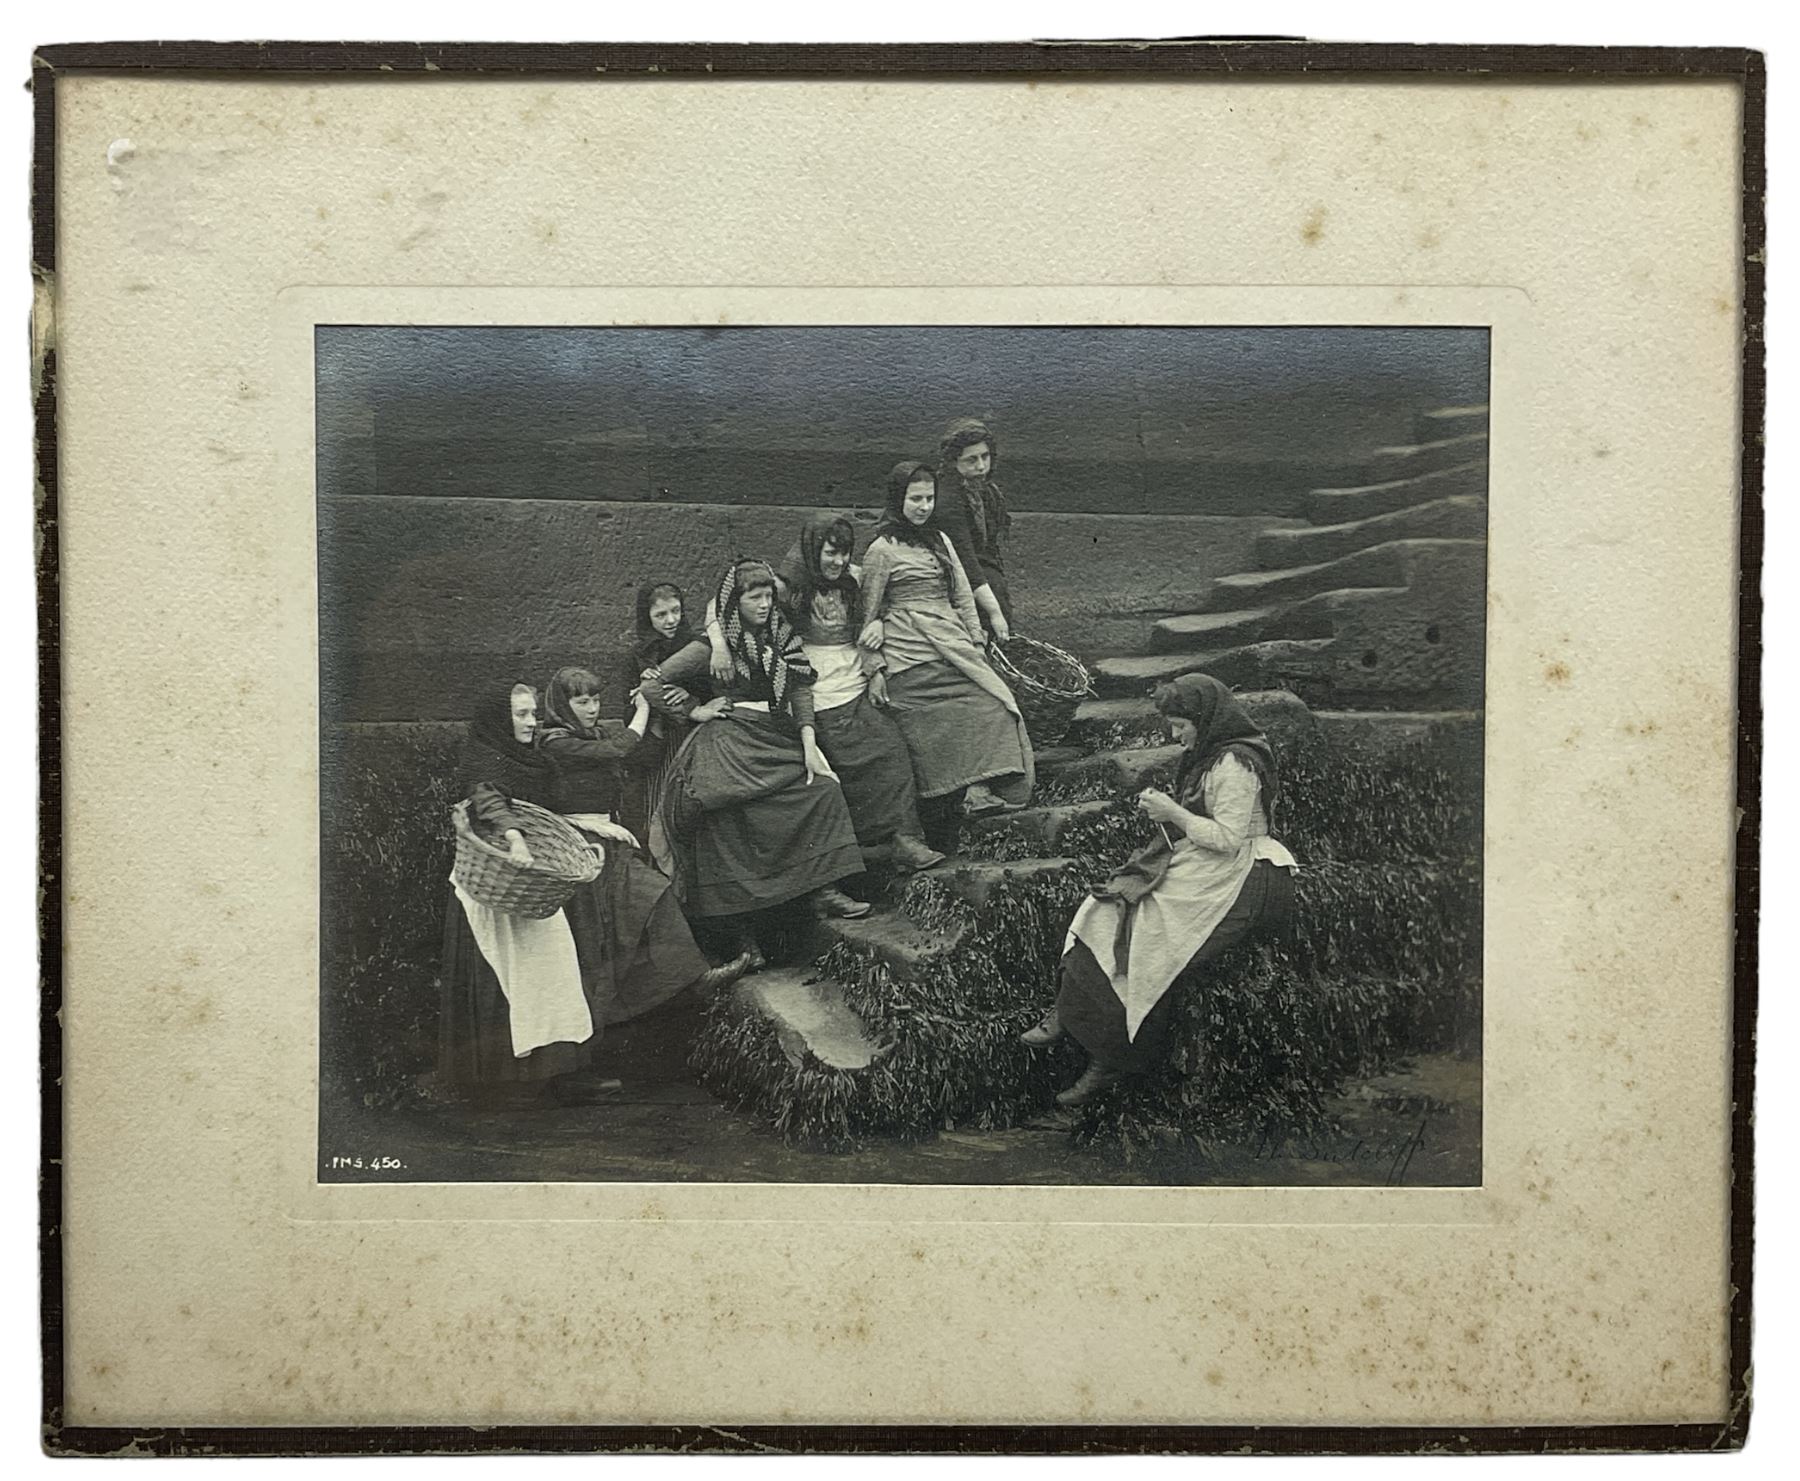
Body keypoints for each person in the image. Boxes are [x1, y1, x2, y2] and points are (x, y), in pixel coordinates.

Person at [1021, 674, 1298, 1106]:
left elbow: (1228, 837)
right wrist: (1169, 817)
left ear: (1205, 719)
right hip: (1205, 864)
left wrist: (1172, 812)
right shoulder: (1208, 755)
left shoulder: (1236, 762)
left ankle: (1111, 1060)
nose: (1175, 735)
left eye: (1180, 726)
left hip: (1245, 871)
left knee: (1152, 940)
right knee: (1102, 908)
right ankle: (1067, 1010)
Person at [651, 559, 872, 963]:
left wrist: (808, 742)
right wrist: (694, 710)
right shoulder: (711, 646)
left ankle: (823, 892)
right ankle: (741, 935)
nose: (765, 604)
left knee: (821, 789)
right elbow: (652, 682)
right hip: (728, 742)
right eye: (755, 597)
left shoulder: (781, 637)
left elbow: (801, 688)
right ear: (737, 600)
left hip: (773, 735)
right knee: (724, 818)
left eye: (769, 595)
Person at [702, 512, 944, 874]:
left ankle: (906, 839)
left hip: (854, 673)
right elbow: (721, 602)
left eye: (844, 553)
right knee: (840, 755)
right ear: (813, 550)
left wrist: (876, 621)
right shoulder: (786, 586)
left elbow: (889, 601)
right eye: (830, 553)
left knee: (889, 745)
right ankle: (862, 848)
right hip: (811, 678)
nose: (838, 562)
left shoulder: (855, 580)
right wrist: (719, 643)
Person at [537, 666, 753, 1019]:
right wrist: (644, 709)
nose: (592, 708)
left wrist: (654, 721)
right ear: (563, 703)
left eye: (596, 699)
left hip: (608, 837)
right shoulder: (556, 741)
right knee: (639, 902)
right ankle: (683, 983)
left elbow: (640, 756)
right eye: (582, 701)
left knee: (650, 899)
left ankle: (685, 980)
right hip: (578, 843)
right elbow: (620, 750)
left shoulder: (593, 732)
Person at [437, 680, 608, 1105]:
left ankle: (557, 1073)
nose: (532, 723)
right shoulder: (484, 757)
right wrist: (515, 839)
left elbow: (546, 816)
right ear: (500, 719)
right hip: (494, 886)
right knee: (509, 977)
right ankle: (497, 1081)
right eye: (522, 715)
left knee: (554, 973)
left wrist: (590, 830)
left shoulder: (532, 760)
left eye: (534, 713)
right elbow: (489, 800)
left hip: (530, 885)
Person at [857, 460, 1034, 843]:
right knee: (938, 716)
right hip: (909, 656)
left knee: (994, 705)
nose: (923, 506)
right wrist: (874, 669)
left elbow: (961, 595)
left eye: (929, 498)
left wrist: (974, 640)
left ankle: (978, 790)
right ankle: (962, 794)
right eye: (915, 498)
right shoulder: (882, 550)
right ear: (897, 499)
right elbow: (866, 615)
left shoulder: (941, 541)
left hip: (951, 644)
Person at [619, 582, 707, 864]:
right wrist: (645, 692)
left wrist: (688, 695)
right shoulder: (637, 656)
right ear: (647, 618)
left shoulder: (694, 646)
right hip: (656, 746)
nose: (671, 620)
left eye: (676, 611)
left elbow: (711, 690)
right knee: (654, 809)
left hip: (689, 739)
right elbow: (630, 700)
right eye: (661, 615)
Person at [933, 416, 1013, 642]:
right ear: (953, 462)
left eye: (985, 457)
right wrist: (995, 613)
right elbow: (965, 558)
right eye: (971, 460)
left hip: (983, 572)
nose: (981, 466)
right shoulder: (947, 499)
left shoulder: (985, 491)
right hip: (952, 575)